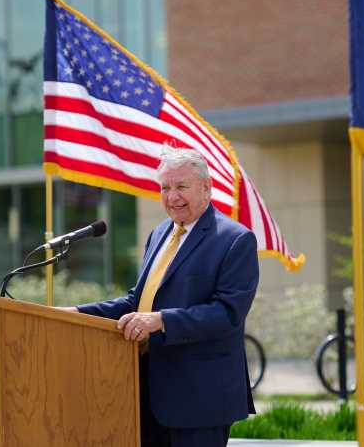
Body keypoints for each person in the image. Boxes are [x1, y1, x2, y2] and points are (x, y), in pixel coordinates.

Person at [65, 145, 259, 447]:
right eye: (165, 187)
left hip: (200, 399)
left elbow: (227, 314)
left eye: (181, 186)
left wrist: (160, 320)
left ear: (206, 188)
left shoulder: (235, 240)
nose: (172, 196)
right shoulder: (158, 235)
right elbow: (138, 302)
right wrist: (75, 313)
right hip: (145, 393)